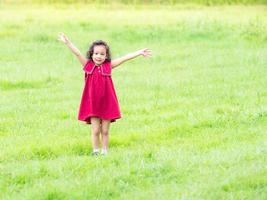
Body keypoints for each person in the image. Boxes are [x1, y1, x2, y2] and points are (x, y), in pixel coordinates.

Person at [58, 32, 152, 156]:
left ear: (106, 55)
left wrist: (139, 52)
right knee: (95, 130)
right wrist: (68, 42)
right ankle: (95, 151)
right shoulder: (88, 65)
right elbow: (77, 53)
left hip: (107, 103)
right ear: (91, 54)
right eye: (96, 53)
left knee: (105, 130)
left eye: (102, 54)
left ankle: (105, 151)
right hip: (93, 104)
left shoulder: (108, 66)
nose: (99, 56)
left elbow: (124, 58)